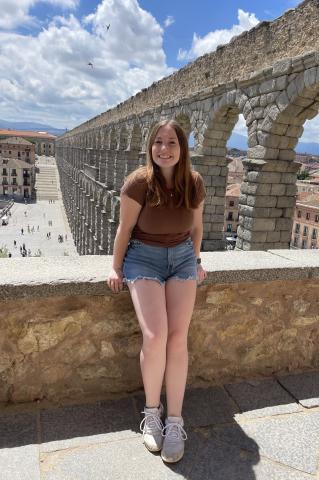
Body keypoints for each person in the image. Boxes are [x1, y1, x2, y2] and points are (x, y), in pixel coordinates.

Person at [107, 119, 207, 464]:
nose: (164, 149)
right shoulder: (138, 183)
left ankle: (175, 421)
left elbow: (197, 226)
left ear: (182, 149)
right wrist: (115, 267)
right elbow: (125, 228)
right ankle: (153, 413)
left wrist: (195, 259)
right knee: (155, 335)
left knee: (178, 338)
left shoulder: (194, 183)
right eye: (158, 142)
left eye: (172, 143)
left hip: (181, 260)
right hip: (143, 260)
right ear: (151, 147)